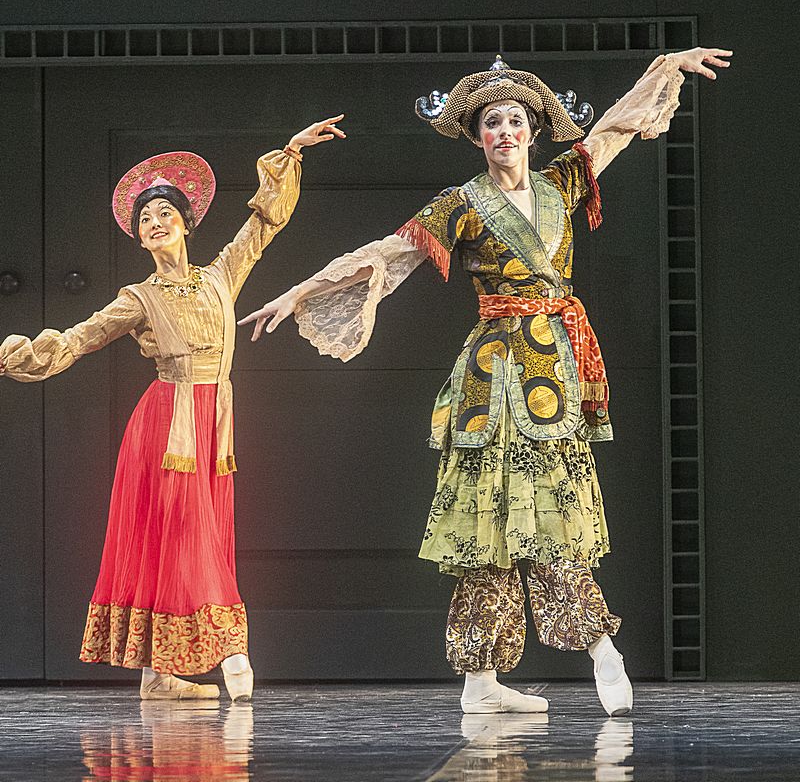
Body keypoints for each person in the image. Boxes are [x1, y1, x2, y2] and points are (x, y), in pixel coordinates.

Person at [240, 48, 730, 715]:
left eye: (514, 120)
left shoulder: (563, 183)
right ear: (476, 137)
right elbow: (386, 255)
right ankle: (492, 676)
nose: (504, 131)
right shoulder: (462, 205)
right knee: (488, 523)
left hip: (553, 368)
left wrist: (665, 67)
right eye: (491, 123)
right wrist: (297, 293)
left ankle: (591, 647)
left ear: (532, 130)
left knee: (553, 511)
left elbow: (615, 128)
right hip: (494, 377)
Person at [0, 116, 346, 701]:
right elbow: (80, 338)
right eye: (145, 219)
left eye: (165, 214)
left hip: (213, 425)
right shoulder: (138, 298)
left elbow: (262, 225)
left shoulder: (221, 276)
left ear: (186, 223)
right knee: (188, 536)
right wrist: (17, 357)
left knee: (192, 535)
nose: (155, 223)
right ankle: (232, 654)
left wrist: (290, 153)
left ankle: (158, 675)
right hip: (167, 427)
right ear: (139, 239)